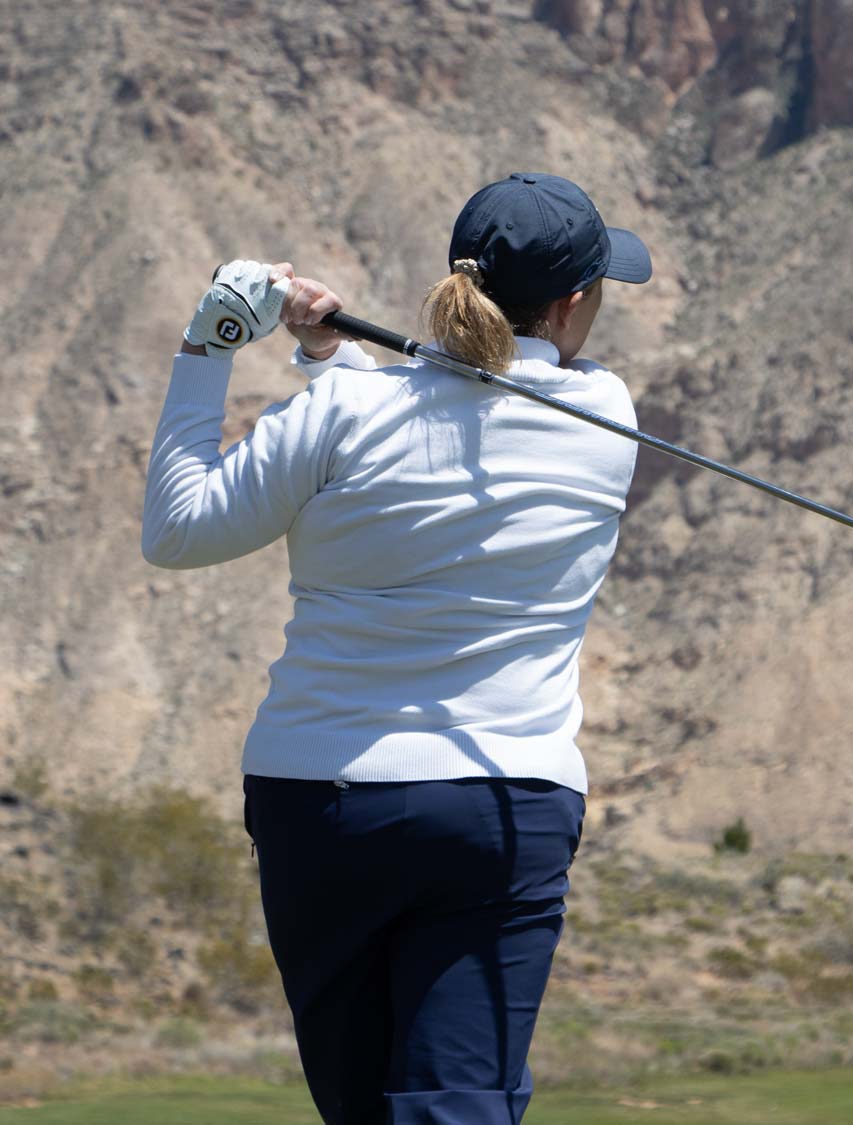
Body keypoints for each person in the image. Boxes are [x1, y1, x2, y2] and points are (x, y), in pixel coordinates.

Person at [143, 172, 652, 1124]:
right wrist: (336, 364)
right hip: (502, 804)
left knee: (361, 1105)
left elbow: (179, 530)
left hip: (318, 807)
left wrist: (218, 342)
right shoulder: (605, 418)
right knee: (455, 1103)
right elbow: (453, 419)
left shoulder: (342, 413)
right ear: (574, 303)